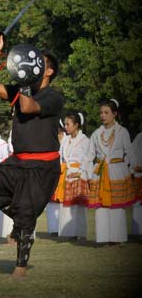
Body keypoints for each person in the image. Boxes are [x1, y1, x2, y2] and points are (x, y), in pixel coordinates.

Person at [0, 33, 63, 278]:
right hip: (18, 162)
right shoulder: (20, 91)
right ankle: (20, 221)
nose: (34, 64)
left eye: (40, 62)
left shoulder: (53, 96)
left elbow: (28, 107)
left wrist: (24, 77)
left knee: (27, 211)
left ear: (48, 71)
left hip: (43, 166)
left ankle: (20, 267)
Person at [83, 99, 135, 244]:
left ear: (115, 114)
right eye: (101, 112)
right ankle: (103, 238)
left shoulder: (122, 132)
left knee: (117, 207)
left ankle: (118, 238)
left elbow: (129, 152)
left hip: (117, 171)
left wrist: (131, 170)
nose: (103, 115)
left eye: (106, 112)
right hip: (99, 173)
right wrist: (87, 174)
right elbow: (88, 156)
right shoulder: (96, 134)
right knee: (101, 207)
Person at [57, 112, 90, 239]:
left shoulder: (85, 140)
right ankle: (68, 233)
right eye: (65, 124)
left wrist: (81, 171)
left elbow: (88, 158)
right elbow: (60, 156)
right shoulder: (65, 140)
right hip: (66, 173)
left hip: (79, 174)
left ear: (76, 125)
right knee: (66, 204)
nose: (65, 126)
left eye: (68, 124)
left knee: (78, 205)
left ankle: (80, 233)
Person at [45, 120, 67, 235]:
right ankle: (53, 229)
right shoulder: (49, 140)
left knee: (62, 201)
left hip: (63, 174)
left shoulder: (67, 140)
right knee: (51, 202)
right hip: (51, 173)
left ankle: (62, 228)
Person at [132, 131, 142, 235]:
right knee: (138, 203)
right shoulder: (139, 136)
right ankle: (138, 232)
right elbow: (131, 153)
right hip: (139, 174)